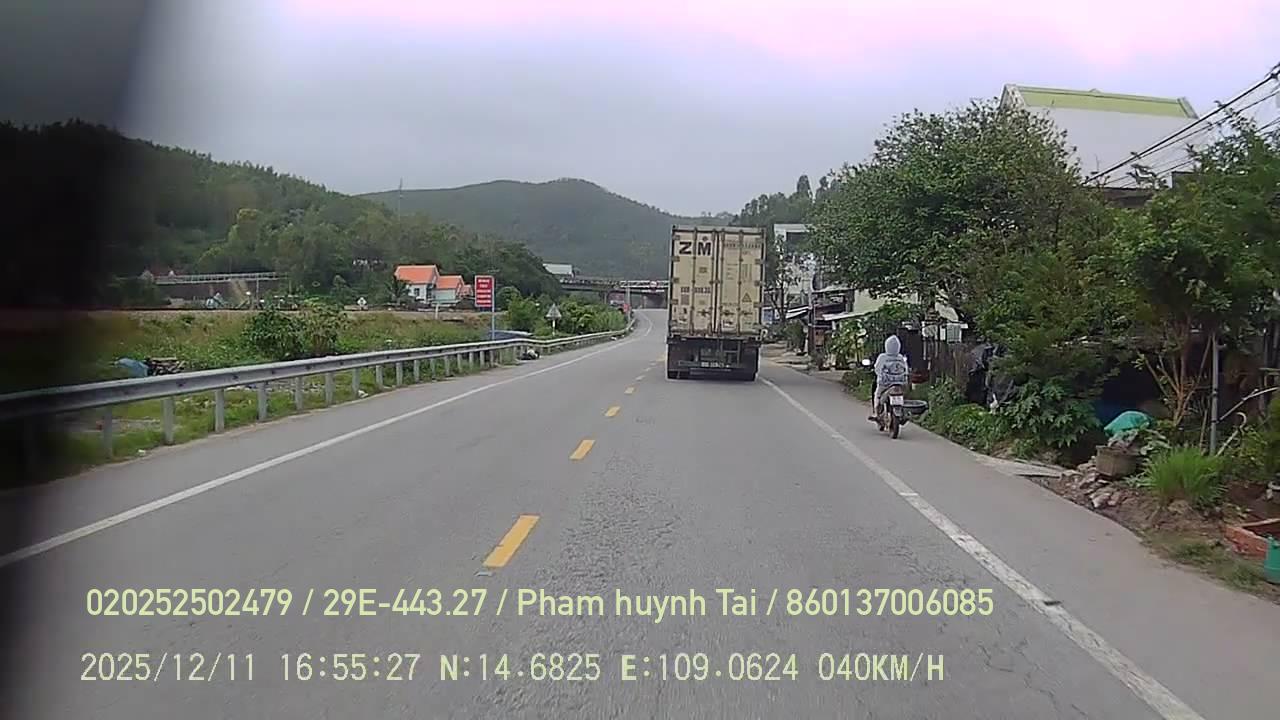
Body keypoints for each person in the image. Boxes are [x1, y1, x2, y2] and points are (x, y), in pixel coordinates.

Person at [869, 335, 910, 421]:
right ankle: (905, 412)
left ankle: (876, 413)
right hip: (901, 383)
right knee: (904, 396)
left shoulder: (882, 357)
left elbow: (877, 369)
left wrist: (880, 375)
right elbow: (906, 370)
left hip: (885, 384)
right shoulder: (900, 357)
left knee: (877, 395)